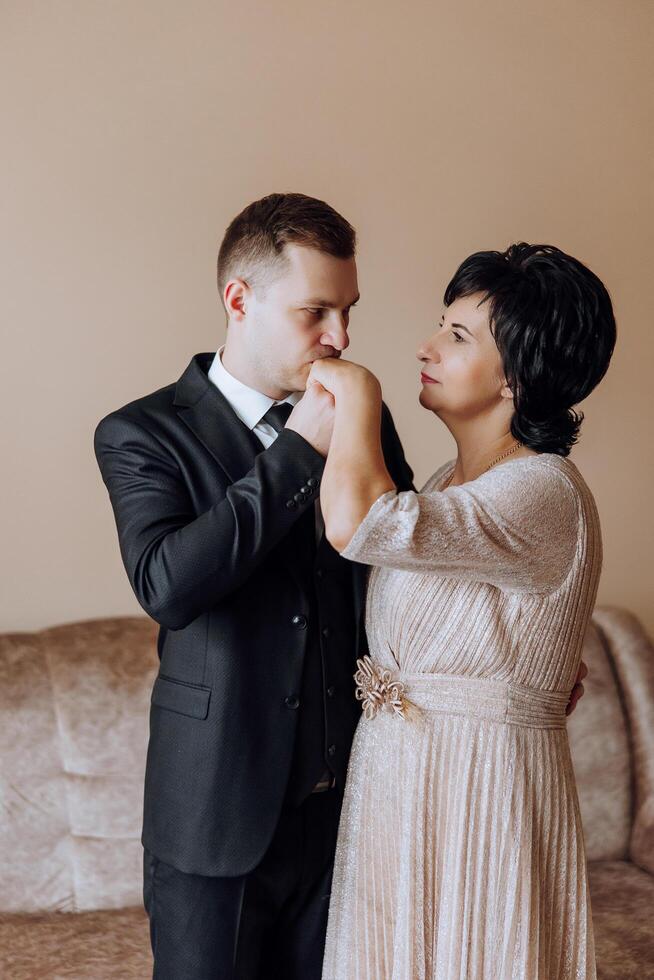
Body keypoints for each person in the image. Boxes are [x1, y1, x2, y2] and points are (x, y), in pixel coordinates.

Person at [94, 196, 587, 980]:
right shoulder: (143, 432)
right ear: (239, 300)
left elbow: (396, 565)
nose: (341, 338)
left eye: (348, 311)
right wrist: (295, 451)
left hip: (355, 814)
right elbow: (168, 585)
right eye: (315, 311)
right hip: (216, 815)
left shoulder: (369, 421)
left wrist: (522, 662)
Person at [311, 243, 615, 980]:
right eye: (439, 326)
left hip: (482, 787)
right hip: (399, 781)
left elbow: (361, 523)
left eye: (456, 336)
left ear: (516, 373)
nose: (427, 346)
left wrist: (357, 396)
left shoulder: (544, 489)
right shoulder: (451, 481)